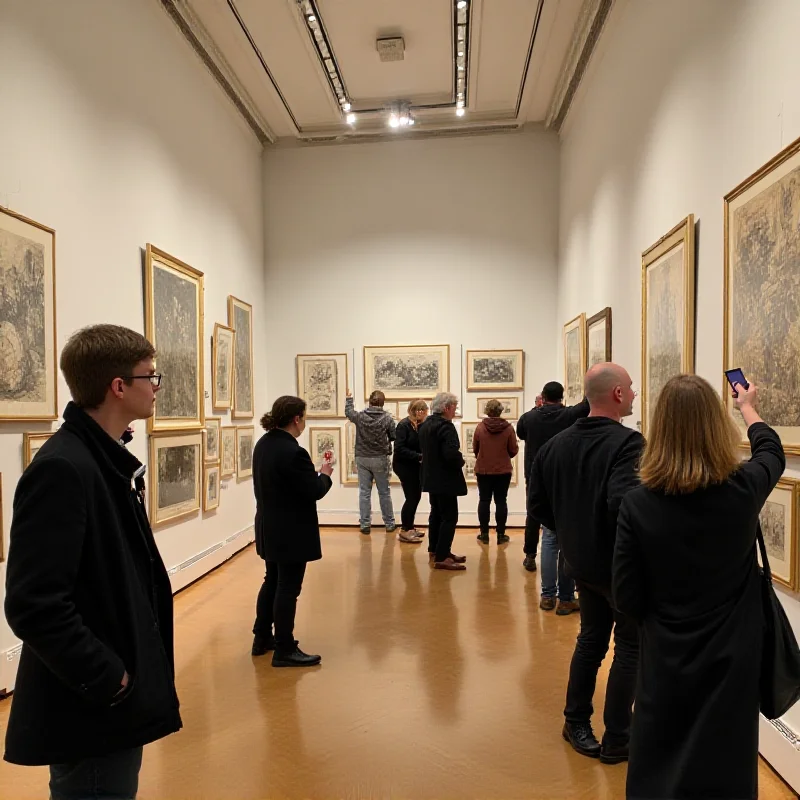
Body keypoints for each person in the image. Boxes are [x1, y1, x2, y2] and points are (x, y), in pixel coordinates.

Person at [3, 324, 181, 799]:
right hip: (93, 707)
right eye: (151, 376)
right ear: (118, 386)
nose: (157, 388)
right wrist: (110, 679)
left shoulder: (99, 458)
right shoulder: (65, 468)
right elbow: (34, 604)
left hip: (109, 697)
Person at [613, 376, 784, 799]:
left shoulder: (637, 504)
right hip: (732, 656)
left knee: (660, 752)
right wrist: (747, 407)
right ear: (715, 427)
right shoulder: (743, 490)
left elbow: (627, 596)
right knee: (726, 757)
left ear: (661, 429)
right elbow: (771, 451)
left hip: (666, 654)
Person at [528, 363, 642, 764]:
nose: (634, 393)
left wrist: (573, 532)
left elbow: (538, 506)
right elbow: (623, 504)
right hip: (618, 568)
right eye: (630, 387)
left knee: (590, 641)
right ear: (616, 395)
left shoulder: (554, 446)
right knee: (629, 648)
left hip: (579, 563)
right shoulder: (629, 444)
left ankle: (576, 722)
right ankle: (618, 738)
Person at [252, 395, 333, 667]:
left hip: (268, 526)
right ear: (296, 418)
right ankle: (284, 648)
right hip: (290, 530)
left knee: (272, 581)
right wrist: (325, 474)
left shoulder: (264, 444)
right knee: (288, 588)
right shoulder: (293, 451)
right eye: (304, 417)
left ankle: (262, 637)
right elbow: (314, 491)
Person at [517, 382, 589, 574]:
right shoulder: (569, 415)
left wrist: (537, 407)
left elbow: (520, 433)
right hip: (563, 474)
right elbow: (587, 404)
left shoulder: (528, 417)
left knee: (533, 514)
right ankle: (566, 559)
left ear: (543, 396)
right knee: (564, 516)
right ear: (562, 396)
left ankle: (530, 555)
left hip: (534, 472)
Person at [419, 392, 468, 571]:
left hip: (431, 477)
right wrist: (461, 460)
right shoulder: (446, 427)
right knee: (449, 517)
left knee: (436, 514)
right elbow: (450, 454)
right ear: (447, 408)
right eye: (454, 407)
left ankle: (436, 550)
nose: (455, 410)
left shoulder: (425, 425)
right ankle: (442, 556)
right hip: (445, 479)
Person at [346, 390, 397, 535]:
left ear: (369, 401)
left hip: (362, 457)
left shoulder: (361, 416)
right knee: (384, 492)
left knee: (364, 492)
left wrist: (349, 398)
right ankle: (389, 524)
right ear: (383, 402)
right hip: (380, 458)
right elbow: (393, 436)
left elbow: (349, 412)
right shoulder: (387, 418)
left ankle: (365, 524)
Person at [473, 399, 519, 545]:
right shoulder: (508, 428)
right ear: (501, 411)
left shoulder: (480, 427)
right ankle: (501, 535)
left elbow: (476, 448)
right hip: (503, 470)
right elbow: (513, 449)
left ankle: (484, 534)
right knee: (501, 501)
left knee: (484, 500)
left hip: (484, 470)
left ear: (487, 411)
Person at [393, 399, 429, 543]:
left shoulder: (419, 425)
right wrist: (419, 456)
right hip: (404, 466)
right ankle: (405, 530)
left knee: (416, 497)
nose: (426, 414)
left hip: (414, 466)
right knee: (412, 497)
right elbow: (399, 449)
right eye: (425, 411)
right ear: (418, 411)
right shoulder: (403, 425)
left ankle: (410, 527)